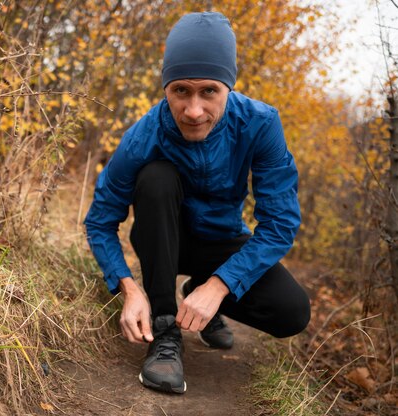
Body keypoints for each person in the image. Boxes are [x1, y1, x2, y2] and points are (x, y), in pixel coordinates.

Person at [84, 11, 310, 394]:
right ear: (166, 89)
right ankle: (165, 332)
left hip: (223, 243)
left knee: (292, 312)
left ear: (229, 88)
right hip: (164, 240)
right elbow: (100, 220)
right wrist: (128, 289)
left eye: (209, 91)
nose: (193, 110)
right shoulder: (143, 136)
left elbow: (280, 223)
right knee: (155, 177)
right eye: (180, 91)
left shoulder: (260, 124)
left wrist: (219, 286)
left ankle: (198, 295)